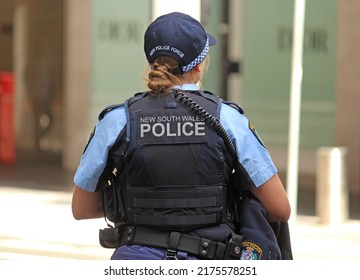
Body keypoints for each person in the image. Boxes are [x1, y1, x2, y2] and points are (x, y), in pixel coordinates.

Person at [71, 12, 291, 260]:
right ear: (198, 67)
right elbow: (280, 209)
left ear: (152, 64)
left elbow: (81, 208)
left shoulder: (116, 120)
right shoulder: (228, 120)